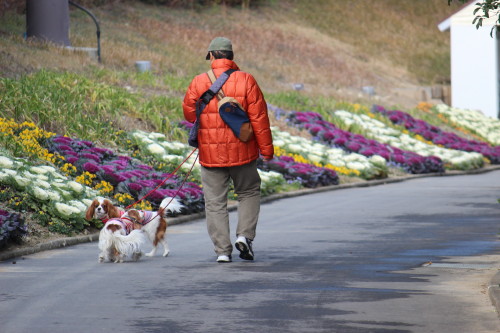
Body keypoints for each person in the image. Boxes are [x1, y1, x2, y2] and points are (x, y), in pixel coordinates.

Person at [182, 36, 274, 263]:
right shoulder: (247, 80)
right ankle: (244, 236)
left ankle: (222, 251)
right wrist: (267, 150)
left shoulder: (198, 81)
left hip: (210, 155)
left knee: (214, 202)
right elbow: (260, 119)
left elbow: (190, 114)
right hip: (243, 151)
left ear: (212, 56)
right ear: (231, 57)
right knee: (249, 192)